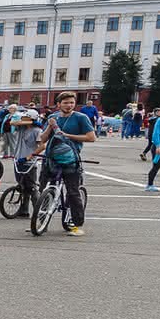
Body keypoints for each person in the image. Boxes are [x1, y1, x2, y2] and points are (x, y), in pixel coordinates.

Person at [31, 91, 95, 236]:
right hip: (51, 158)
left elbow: (91, 137)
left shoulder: (81, 118)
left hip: (70, 159)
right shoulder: (53, 117)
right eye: (65, 103)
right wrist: (49, 127)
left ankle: (77, 225)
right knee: (43, 189)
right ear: (58, 104)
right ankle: (41, 221)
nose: (69, 105)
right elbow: (42, 139)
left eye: (71, 102)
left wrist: (68, 136)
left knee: (73, 192)